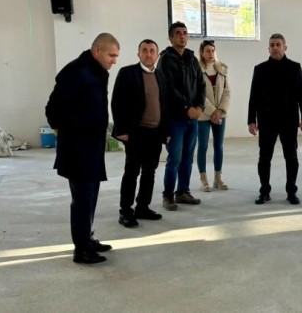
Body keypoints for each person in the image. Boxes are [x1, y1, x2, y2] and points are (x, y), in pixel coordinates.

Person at [45, 33, 120, 265]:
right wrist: (69, 133)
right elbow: (52, 110)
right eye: (111, 55)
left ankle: (87, 238)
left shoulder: (97, 71)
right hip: (78, 148)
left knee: (91, 195)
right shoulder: (75, 72)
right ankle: (81, 249)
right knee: (82, 199)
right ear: (97, 51)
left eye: (116, 56)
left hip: (92, 147)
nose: (114, 60)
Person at [248, 33, 302, 205]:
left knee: (291, 157)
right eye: (272, 45)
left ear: (285, 47)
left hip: (289, 121)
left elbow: (301, 94)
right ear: (268, 48)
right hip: (266, 121)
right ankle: (264, 191)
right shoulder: (260, 69)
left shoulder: (295, 67)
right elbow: (253, 96)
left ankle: (291, 191)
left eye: (278, 44)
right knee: (264, 158)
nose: (275, 48)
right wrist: (251, 120)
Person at [111, 39, 167, 228]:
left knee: (150, 172)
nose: (148, 54)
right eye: (144, 50)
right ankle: (126, 211)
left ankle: (143, 207)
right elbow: (117, 102)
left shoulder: (160, 76)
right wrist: (121, 130)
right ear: (138, 54)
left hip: (155, 133)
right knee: (132, 172)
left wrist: (165, 132)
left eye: (152, 51)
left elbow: (164, 105)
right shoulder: (127, 73)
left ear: (157, 55)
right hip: (135, 133)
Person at [157, 22, 206, 211]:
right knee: (175, 158)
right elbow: (168, 89)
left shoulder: (192, 59)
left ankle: (183, 191)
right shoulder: (165, 60)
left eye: (185, 33)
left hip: (192, 118)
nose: (182, 36)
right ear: (171, 38)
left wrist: (199, 106)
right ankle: (168, 195)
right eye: (178, 33)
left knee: (187, 157)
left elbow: (201, 85)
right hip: (175, 118)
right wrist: (186, 107)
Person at [196, 39, 232, 192]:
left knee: (219, 146)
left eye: (213, 50)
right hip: (204, 115)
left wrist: (220, 111)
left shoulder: (222, 68)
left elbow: (227, 92)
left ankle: (218, 178)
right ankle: (203, 179)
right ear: (202, 53)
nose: (211, 53)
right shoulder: (196, 70)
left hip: (220, 115)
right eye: (207, 51)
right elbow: (198, 94)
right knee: (203, 146)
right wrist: (212, 112)